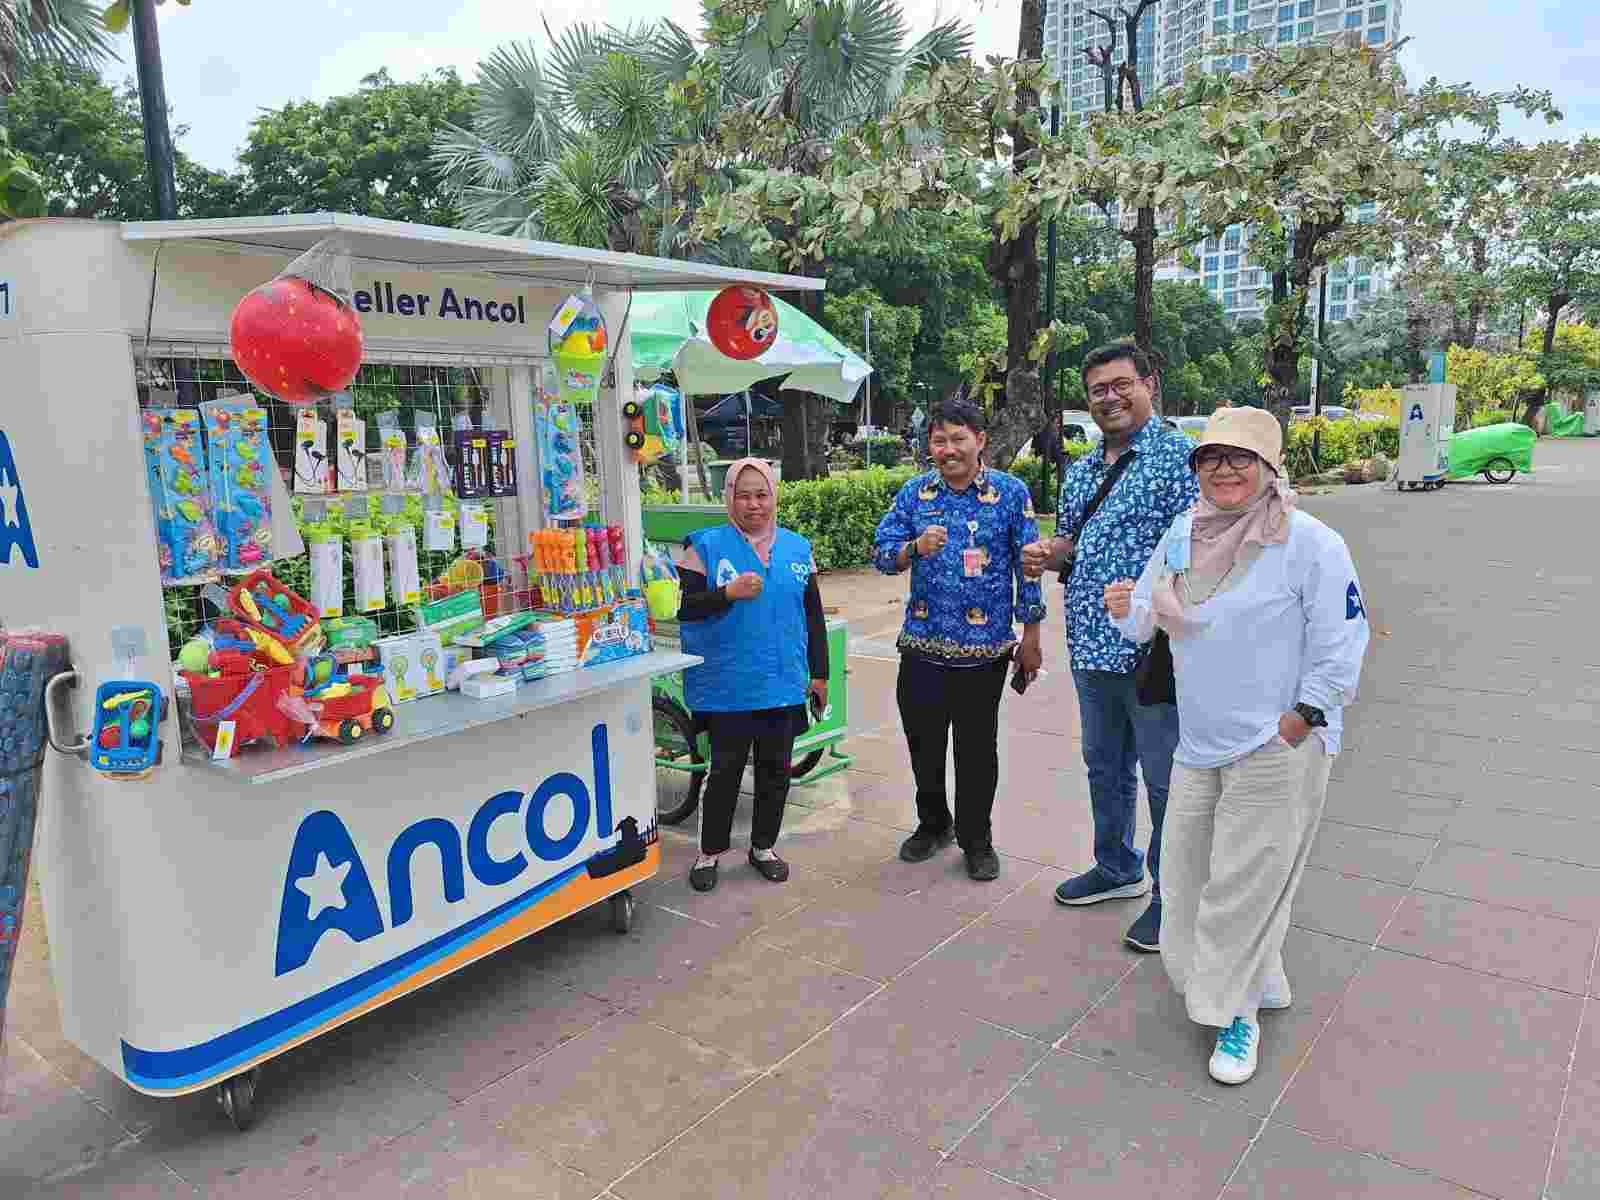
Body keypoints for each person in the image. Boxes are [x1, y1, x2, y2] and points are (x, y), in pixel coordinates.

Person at [1103, 406, 1368, 1084]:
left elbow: (1343, 639)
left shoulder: (1309, 542)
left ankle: (1236, 1011)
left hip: (1277, 743)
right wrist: (1122, 605)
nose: (1225, 468)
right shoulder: (1184, 533)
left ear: (1269, 468)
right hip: (1201, 741)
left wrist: (1304, 715)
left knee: (1244, 885)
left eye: (1241, 457)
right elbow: (1145, 623)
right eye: (1212, 457)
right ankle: (1261, 972)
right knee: (1187, 874)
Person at [1022, 342, 1198, 953]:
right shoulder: (1084, 466)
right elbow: (1072, 538)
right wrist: (1051, 552)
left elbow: (1199, 549)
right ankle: (1116, 865)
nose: (1109, 398)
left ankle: (1172, 897)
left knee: (1165, 779)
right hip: (1092, 647)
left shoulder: (1181, 458)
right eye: (1097, 390)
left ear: (1149, 383)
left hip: (1157, 652)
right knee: (1105, 766)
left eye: (1121, 385)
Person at [873, 398, 1045, 881]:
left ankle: (977, 838)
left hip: (984, 651)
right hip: (922, 645)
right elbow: (882, 554)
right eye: (939, 440)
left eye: (958, 438)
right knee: (922, 745)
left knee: (976, 750)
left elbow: (1028, 568)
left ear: (980, 440)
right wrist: (913, 548)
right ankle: (933, 824)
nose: (948, 449)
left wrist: (1030, 635)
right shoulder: (914, 494)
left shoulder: (1010, 493)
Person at [676, 458, 830, 893]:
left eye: (761, 494)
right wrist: (727, 593)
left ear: (774, 497)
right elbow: (683, 608)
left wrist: (820, 674)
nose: (753, 504)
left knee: (775, 770)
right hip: (729, 685)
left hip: (782, 682)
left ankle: (763, 846)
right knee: (723, 771)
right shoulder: (702, 545)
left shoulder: (799, 549)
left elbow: (813, 617)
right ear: (728, 498)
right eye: (743, 494)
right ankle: (710, 853)